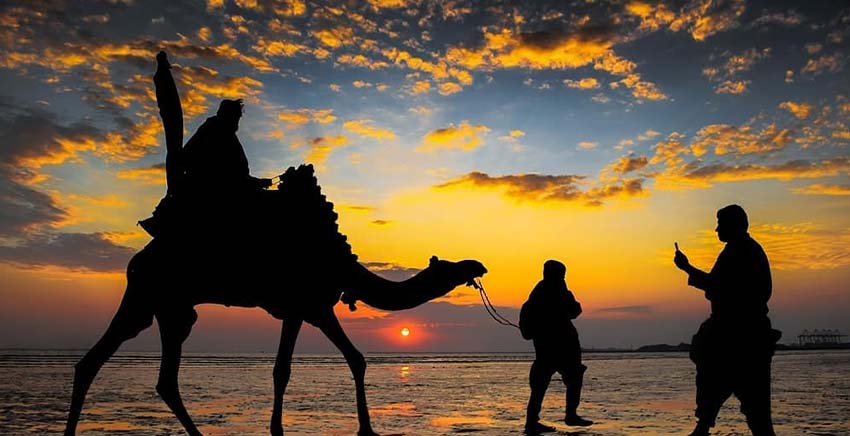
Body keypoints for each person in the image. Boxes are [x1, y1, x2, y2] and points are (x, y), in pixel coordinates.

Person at [674, 205, 781, 436]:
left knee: (755, 408)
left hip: (741, 337)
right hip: (735, 336)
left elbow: (719, 286)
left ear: (733, 225)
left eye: (720, 224)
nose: (716, 229)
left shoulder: (743, 251)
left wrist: (686, 268)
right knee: (717, 391)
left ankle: (701, 429)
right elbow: (718, 285)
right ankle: (701, 428)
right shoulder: (739, 250)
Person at [520, 260, 592, 434]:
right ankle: (570, 415)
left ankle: (533, 422)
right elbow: (575, 311)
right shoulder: (560, 293)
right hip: (563, 347)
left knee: (539, 386)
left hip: (547, 349)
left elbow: (526, 330)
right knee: (572, 379)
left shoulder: (535, 297)